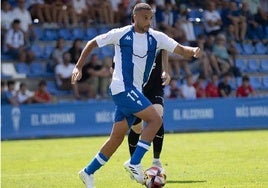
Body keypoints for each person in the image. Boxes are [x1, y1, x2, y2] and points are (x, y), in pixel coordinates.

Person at [71, 3, 200, 187]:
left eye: (150, 18)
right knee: (156, 120)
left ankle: (87, 172)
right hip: (122, 88)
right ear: (134, 17)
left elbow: (180, 49)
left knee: (116, 138)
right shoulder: (121, 34)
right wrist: (78, 66)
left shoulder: (157, 37)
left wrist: (193, 51)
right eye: (145, 18)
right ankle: (134, 162)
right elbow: (92, 43)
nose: (148, 21)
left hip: (134, 91)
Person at [127, 49, 170, 171]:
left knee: (158, 116)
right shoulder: (131, 43)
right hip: (137, 89)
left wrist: (166, 70)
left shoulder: (156, 39)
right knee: (137, 128)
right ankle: (134, 164)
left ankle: (156, 161)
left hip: (155, 88)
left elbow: (166, 48)